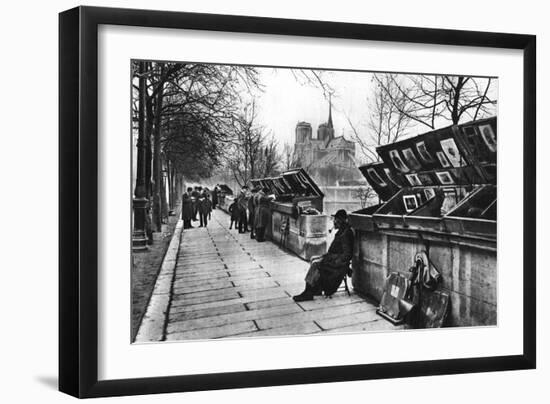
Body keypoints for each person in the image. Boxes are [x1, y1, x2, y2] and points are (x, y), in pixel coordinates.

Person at [293, 209, 354, 301]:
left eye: (336, 220)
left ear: (340, 220)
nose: (334, 222)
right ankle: (315, 287)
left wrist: (332, 260)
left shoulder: (345, 233)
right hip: (333, 259)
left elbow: (347, 254)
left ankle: (308, 292)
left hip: (337, 264)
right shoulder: (343, 231)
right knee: (313, 259)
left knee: (315, 264)